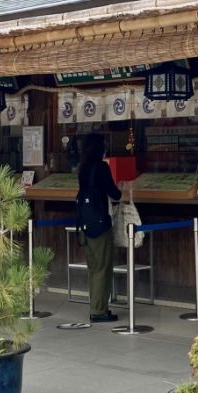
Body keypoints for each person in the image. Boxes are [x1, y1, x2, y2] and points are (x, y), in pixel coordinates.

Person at [76, 133, 122, 323]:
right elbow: (114, 193)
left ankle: (97, 305)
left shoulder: (83, 168)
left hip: (85, 224)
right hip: (100, 224)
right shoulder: (102, 167)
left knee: (94, 268)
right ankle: (98, 310)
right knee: (103, 267)